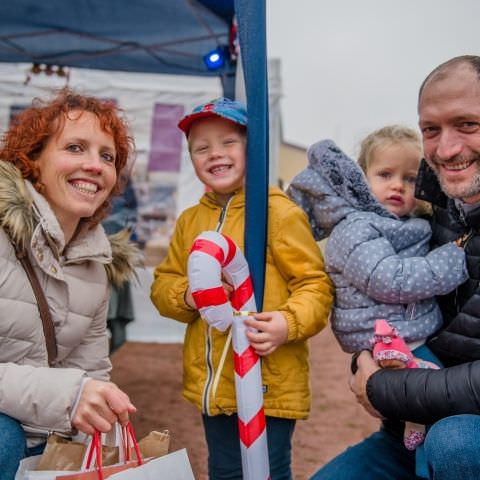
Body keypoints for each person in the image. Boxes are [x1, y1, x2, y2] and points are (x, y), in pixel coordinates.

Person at [313, 55, 480, 480]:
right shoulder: (430, 212)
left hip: (456, 427)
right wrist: (364, 361)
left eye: (468, 124)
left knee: (456, 443)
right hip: (412, 423)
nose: (447, 148)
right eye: (431, 129)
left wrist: (382, 387)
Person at [150, 97, 334, 480]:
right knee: (226, 470)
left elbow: (315, 285)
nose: (215, 154)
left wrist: (287, 323)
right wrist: (188, 294)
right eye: (202, 148)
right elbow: (163, 283)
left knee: (268, 470)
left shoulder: (278, 213)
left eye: (228, 143)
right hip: (215, 383)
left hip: (269, 381)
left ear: (253, 149)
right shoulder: (189, 221)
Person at [288, 126, 467, 453]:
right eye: (385, 174)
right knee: (438, 391)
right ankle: (421, 438)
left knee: (434, 393)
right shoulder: (355, 227)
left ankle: (415, 424)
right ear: (362, 180)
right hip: (385, 334)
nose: (398, 185)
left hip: (402, 329)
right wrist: (455, 257)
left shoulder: (404, 225)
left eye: (410, 178)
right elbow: (390, 280)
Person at [0, 88, 140, 479]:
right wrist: (68, 395)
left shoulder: (95, 266)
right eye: (75, 148)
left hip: (39, 438)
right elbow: (71, 390)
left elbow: (90, 370)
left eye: (107, 156)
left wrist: (102, 415)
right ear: (32, 161)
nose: (95, 165)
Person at [102, 176, 139, 353]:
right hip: (98, 249)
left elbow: (131, 214)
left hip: (116, 250)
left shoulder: (123, 182)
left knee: (115, 314)